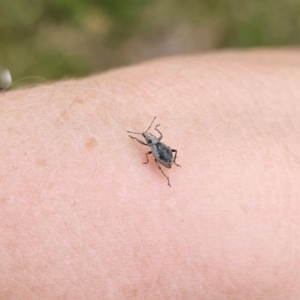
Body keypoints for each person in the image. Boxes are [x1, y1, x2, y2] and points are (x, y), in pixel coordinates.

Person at [1, 50, 300, 299]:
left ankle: (168, 173)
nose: (150, 141)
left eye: (149, 138)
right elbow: (149, 143)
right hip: (164, 160)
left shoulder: (156, 147)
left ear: (154, 139)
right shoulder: (149, 143)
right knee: (157, 160)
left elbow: (158, 149)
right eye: (148, 139)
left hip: (166, 163)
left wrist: (160, 159)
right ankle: (168, 172)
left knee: (158, 162)